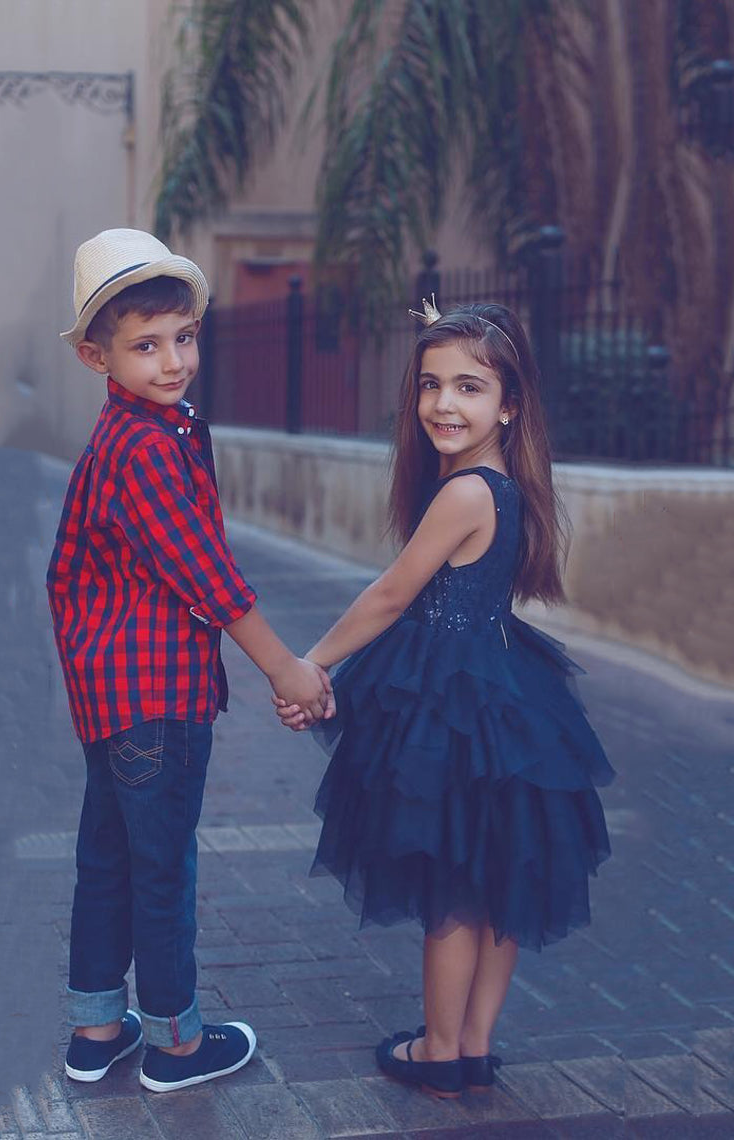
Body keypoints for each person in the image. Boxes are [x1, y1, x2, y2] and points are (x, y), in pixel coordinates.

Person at [275, 298, 614, 1099]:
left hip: (454, 704)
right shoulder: (506, 486)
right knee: (498, 877)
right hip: (509, 698)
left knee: (454, 889)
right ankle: (473, 1043)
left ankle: (437, 1050)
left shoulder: (463, 495)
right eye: (430, 385)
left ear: (510, 402)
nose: (444, 404)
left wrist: (310, 664)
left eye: (469, 386)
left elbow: (392, 596)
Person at [47, 228, 333, 1093]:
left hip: (111, 698)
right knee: (162, 865)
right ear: (99, 356)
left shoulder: (142, 429)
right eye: (145, 345)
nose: (173, 361)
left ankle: (97, 1029)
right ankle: (175, 1043)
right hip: (153, 698)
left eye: (183, 337)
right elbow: (207, 575)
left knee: (110, 858)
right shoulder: (142, 448)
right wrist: (286, 668)